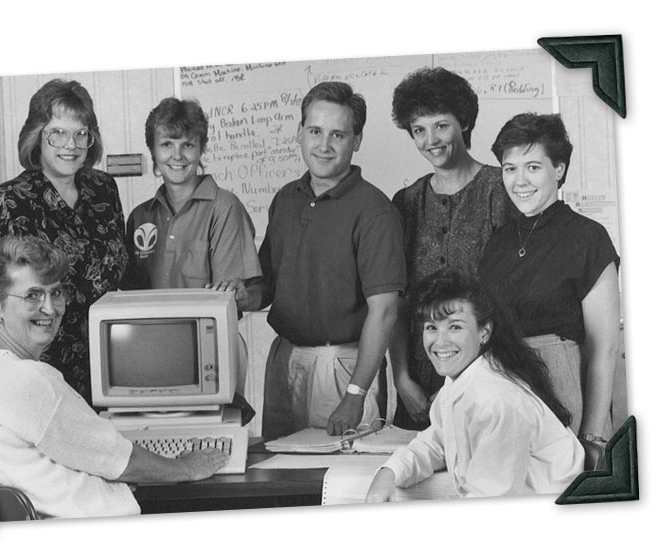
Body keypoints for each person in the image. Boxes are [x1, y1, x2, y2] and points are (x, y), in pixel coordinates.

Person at [0, 236, 228, 519]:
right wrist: (187, 468)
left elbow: (98, 453)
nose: (50, 308)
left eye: (55, 292)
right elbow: (119, 460)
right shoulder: (30, 380)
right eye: (32, 295)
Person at [218, 82, 406, 438]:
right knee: (280, 471)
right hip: (284, 360)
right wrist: (244, 295)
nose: (324, 145)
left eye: (338, 134)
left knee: (336, 478)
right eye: (315, 131)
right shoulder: (286, 199)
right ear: (300, 133)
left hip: (342, 366)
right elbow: (269, 285)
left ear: (357, 140)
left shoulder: (375, 210)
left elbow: (385, 311)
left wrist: (355, 395)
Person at [0, 79, 128, 405]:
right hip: (40, 365)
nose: (71, 144)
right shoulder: (8, 200)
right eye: (58, 132)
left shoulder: (104, 189)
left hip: (108, 360)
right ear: (37, 136)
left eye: (80, 133)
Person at [365, 269, 583, 502]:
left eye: (455, 327)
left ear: (484, 332)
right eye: (431, 327)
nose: (440, 342)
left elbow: (490, 504)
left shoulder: (495, 400)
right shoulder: (458, 382)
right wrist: (389, 473)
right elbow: (435, 444)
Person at [478, 113, 620, 453]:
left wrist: (592, 437)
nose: (519, 180)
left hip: (566, 395)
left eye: (533, 167)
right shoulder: (497, 241)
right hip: (506, 397)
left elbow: (606, 350)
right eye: (510, 168)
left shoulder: (589, 238)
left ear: (559, 169)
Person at [388, 67, 518, 430]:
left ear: (463, 122)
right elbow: (396, 302)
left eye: (441, 125)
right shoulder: (406, 202)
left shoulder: (500, 190)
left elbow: (508, 299)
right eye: (419, 130)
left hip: (487, 378)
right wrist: (402, 380)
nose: (431, 139)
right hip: (418, 381)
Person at [122, 97, 261, 290]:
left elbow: (227, 296)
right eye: (166, 144)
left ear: (201, 148)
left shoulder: (224, 207)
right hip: (150, 322)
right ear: (153, 150)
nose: (177, 155)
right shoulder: (139, 217)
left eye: (187, 145)